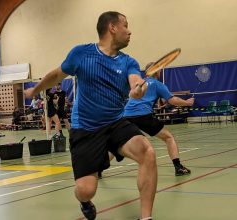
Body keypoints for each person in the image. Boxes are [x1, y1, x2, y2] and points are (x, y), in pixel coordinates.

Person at [24, 11, 157, 220]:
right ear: (112, 28)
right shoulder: (81, 54)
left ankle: (146, 217)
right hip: (85, 128)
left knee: (147, 151)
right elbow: (56, 75)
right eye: (126, 25)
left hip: (115, 123)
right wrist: (34, 90)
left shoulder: (128, 62)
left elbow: (134, 83)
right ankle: (84, 201)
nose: (130, 31)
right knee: (86, 190)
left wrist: (137, 91)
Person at [110, 62, 194, 176]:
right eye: (159, 69)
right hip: (143, 116)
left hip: (126, 116)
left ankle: (98, 169)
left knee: (118, 144)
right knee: (169, 138)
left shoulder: (139, 83)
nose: (159, 71)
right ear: (156, 71)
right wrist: (187, 103)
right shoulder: (157, 84)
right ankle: (178, 167)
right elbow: (173, 100)